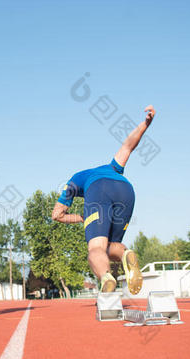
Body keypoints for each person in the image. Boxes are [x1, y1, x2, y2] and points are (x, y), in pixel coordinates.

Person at [51, 105, 156, 294]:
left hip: (99, 190)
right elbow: (127, 146)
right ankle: (126, 255)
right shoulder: (112, 167)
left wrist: (82, 217)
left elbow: (57, 215)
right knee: (109, 247)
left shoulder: (75, 180)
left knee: (95, 248)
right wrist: (145, 124)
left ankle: (106, 277)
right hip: (126, 190)